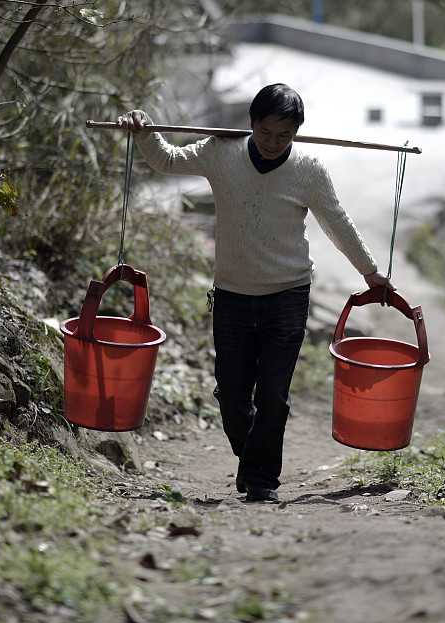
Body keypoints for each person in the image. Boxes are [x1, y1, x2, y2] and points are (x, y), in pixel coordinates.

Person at [118, 83, 392, 504]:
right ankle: (253, 457)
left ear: (297, 133)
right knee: (231, 392)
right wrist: (143, 128)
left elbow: (338, 224)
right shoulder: (220, 153)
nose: (273, 143)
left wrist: (372, 274)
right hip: (231, 296)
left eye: (284, 135)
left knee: (272, 395)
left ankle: (262, 479)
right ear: (252, 124)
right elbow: (166, 160)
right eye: (266, 132)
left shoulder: (309, 170)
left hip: (288, 295)